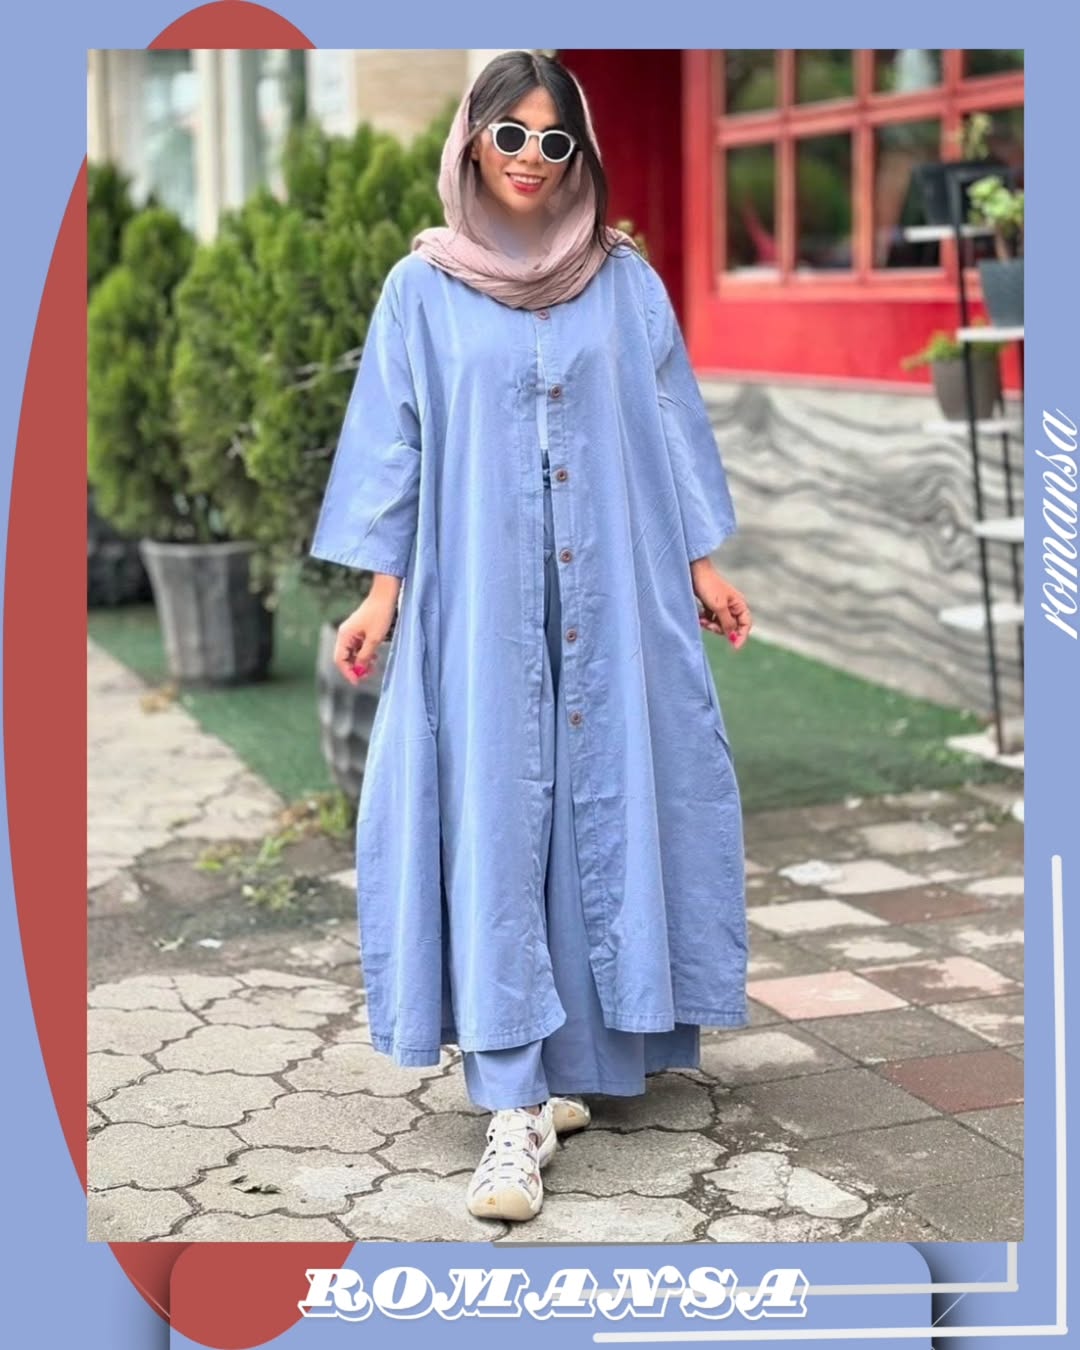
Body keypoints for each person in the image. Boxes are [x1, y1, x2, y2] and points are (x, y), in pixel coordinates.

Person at [308, 51, 753, 1224]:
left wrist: (701, 563)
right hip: (478, 599)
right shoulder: (421, 289)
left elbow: (670, 423)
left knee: (607, 800)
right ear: (471, 138)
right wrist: (380, 592)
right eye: (511, 133)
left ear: (579, 154)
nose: (530, 159)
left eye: (556, 141)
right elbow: (394, 441)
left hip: (615, 592)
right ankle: (508, 1104)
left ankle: (574, 1072)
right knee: (496, 819)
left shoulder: (624, 280)